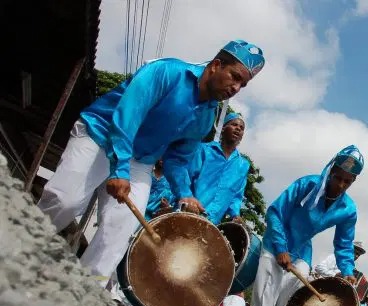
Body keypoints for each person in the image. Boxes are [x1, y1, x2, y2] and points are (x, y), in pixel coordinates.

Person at [36, 40, 265, 286]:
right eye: (234, 76)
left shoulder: (206, 119)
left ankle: (83, 292)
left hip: (141, 160)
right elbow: (126, 118)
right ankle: (17, 247)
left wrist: (185, 194)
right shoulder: (166, 72)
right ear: (216, 65)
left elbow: (177, 160)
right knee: (65, 200)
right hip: (101, 135)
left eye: (243, 84)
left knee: (121, 227)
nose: (236, 87)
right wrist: (120, 169)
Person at [247, 145, 365, 306]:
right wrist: (281, 248)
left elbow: (344, 243)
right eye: (338, 178)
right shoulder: (307, 184)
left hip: (302, 248)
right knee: (267, 288)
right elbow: (275, 212)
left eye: (347, 182)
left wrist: (347, 269)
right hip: (277, 239)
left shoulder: (348, 209)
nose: (340, 185)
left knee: (295, 293)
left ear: (353, 182)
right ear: (331, 171)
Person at [182, 112, 249, 225]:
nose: (238, 128)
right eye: (234, 125)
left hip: (211, 224)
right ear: (223, 129)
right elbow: (186, 178)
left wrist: (235, 215)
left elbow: (236, 195)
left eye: (241, 128)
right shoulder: (204, 150)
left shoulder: (242, 165)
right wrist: (188, 199)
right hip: (188, 213)